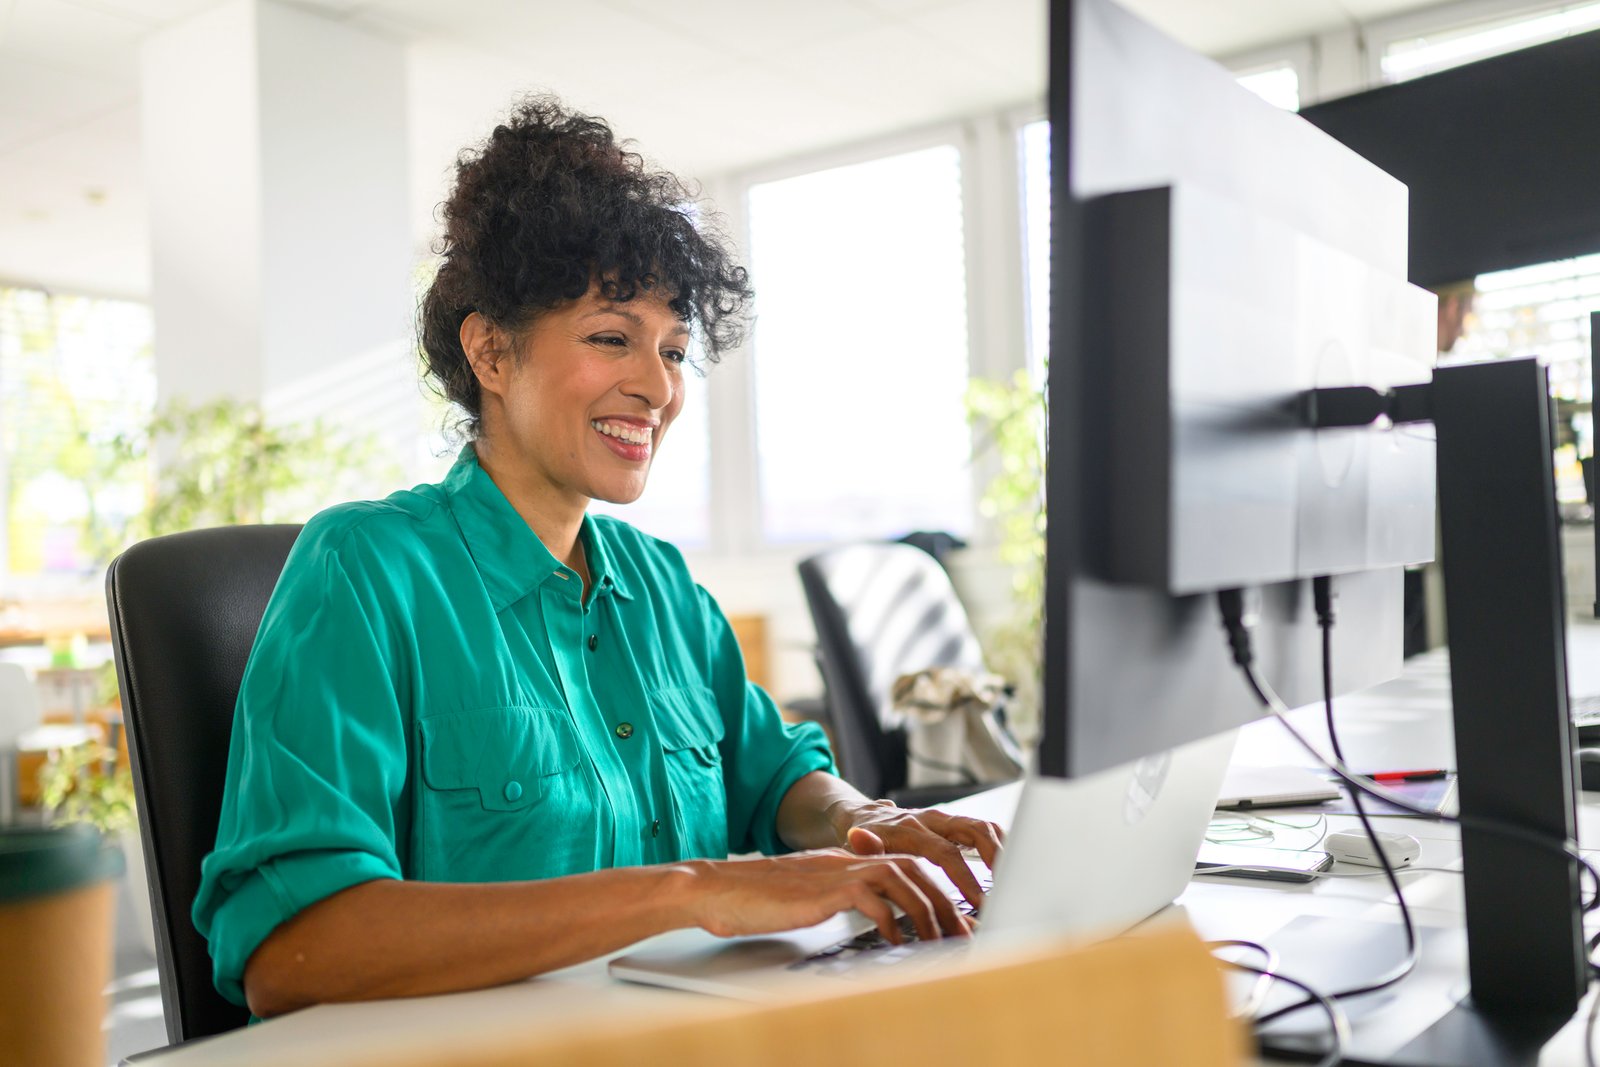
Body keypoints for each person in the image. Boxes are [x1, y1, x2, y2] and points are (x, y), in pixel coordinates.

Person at [194, 96, 1005, 1020]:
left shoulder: (659, 584)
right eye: (612, 337)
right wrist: (689, 890)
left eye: (673, 350)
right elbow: (294, 950)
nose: (658, 387)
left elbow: (774, 773)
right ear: (491, 351)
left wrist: (863, 819)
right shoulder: (366, 570)